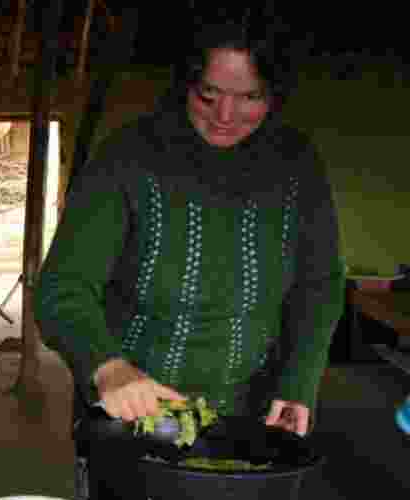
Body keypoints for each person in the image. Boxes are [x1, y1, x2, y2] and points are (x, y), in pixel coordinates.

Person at [35, 19, 345, 438]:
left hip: (257, 412)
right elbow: (62, 287)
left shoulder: (297, 165)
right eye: (208, 94)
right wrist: (107, 366)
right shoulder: (129, 156)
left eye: (250, 97)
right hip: (132, 410)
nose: (225, 116)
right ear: (187, 82)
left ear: (274, 93)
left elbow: (319, 284)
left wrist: (300, 382)